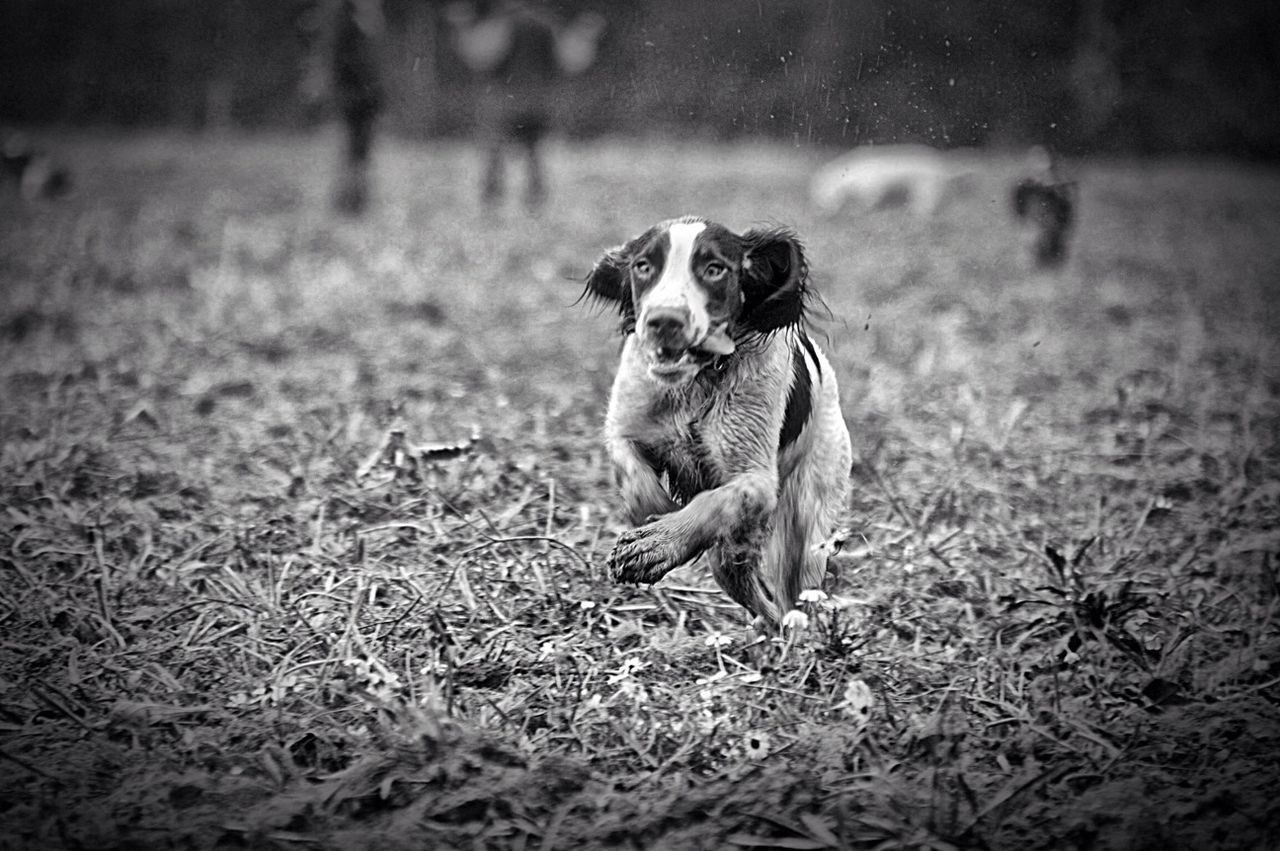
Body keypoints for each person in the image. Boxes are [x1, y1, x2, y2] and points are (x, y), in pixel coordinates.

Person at [445, 1, 605, 209]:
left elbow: (480, 59)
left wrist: (462, 28)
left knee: (496, 150)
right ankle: (535, 202)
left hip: (505, 102)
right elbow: (569, 61)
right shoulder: (546, 24)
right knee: (533, 152)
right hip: (539, 102)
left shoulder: (500, 25)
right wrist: (585, 36)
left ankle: (492, 200)